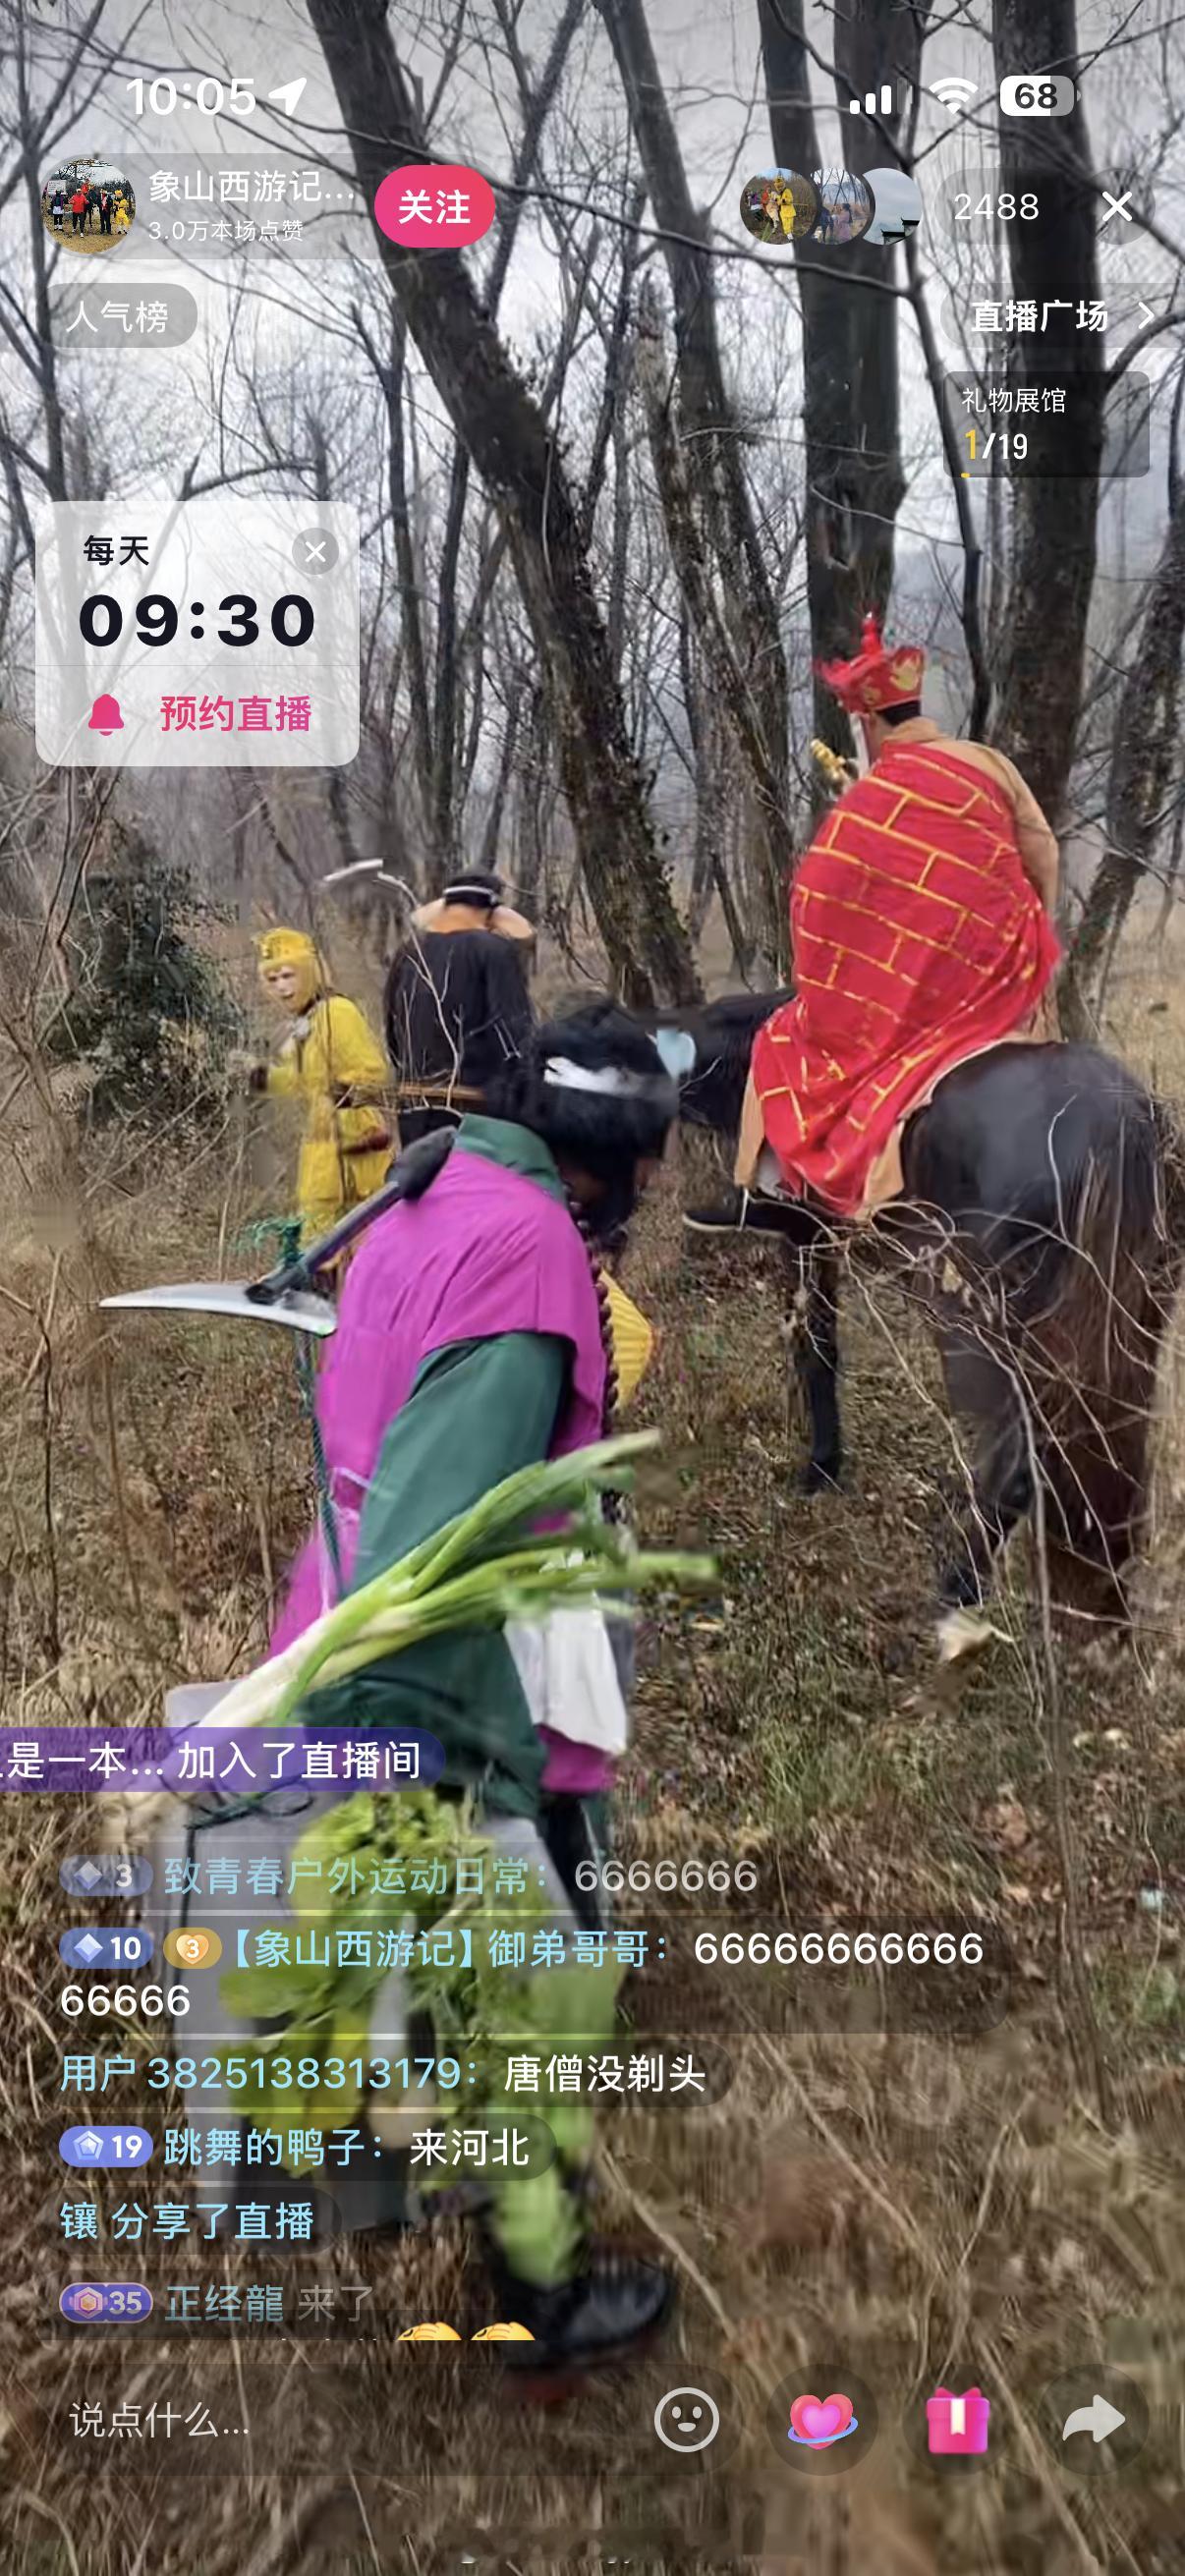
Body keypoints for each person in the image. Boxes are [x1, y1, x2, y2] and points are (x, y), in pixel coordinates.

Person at [267, 1000, 679, 2369]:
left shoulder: (428, 1194)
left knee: (496, 1951)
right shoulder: (528, 1253)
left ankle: (437, 2145)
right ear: (608, 1168)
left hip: (357, 1615)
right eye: (642, 1174)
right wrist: (422, 1764)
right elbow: (438, 1522)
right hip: (426, 1675)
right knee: (539, 1977)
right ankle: (538, 2302)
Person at [687, 612, 1061, 1231]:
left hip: (917, 1002)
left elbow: (816, 902)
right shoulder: (988, 762)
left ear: (866, 722)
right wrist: (1031, 942)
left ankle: (774, 1194)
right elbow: (1042, 854)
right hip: (1003, 981)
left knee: (779, 1040)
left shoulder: (865, 803)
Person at [245, 926, 392, 1243]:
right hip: (321, 1140)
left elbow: (372, 1072)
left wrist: (336, 1098)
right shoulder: (306, 1020)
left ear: (307, 971)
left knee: (357, 1231)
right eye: (273, 979)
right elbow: (302, 1079)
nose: (282, 987)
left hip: (354, 1138)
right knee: (317, 1226)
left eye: (288, 975)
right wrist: (260, 1077)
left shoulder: (337, 1012)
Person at [384, 868, 535, 1145]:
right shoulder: (495, 951)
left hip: (413, 1106)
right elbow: (513, 1035)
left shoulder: (408, 951)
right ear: (491, 912)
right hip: (476, 1112)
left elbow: (393, 1034)